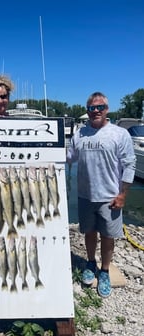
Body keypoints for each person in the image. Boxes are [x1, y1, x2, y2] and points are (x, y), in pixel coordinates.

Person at [66, 91, 136, 298]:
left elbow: (129, 165)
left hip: (110, 196)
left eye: (100, 107)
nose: (95, 111)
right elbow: (69, 157)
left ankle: (104, 270)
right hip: (85, 195)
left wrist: (122, 194)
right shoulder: (80, 134)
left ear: (107, 109)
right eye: (91, 108)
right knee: (89, 232)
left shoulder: (119, 134)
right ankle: (90, 262)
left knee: (107, 236)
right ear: (87, 111)